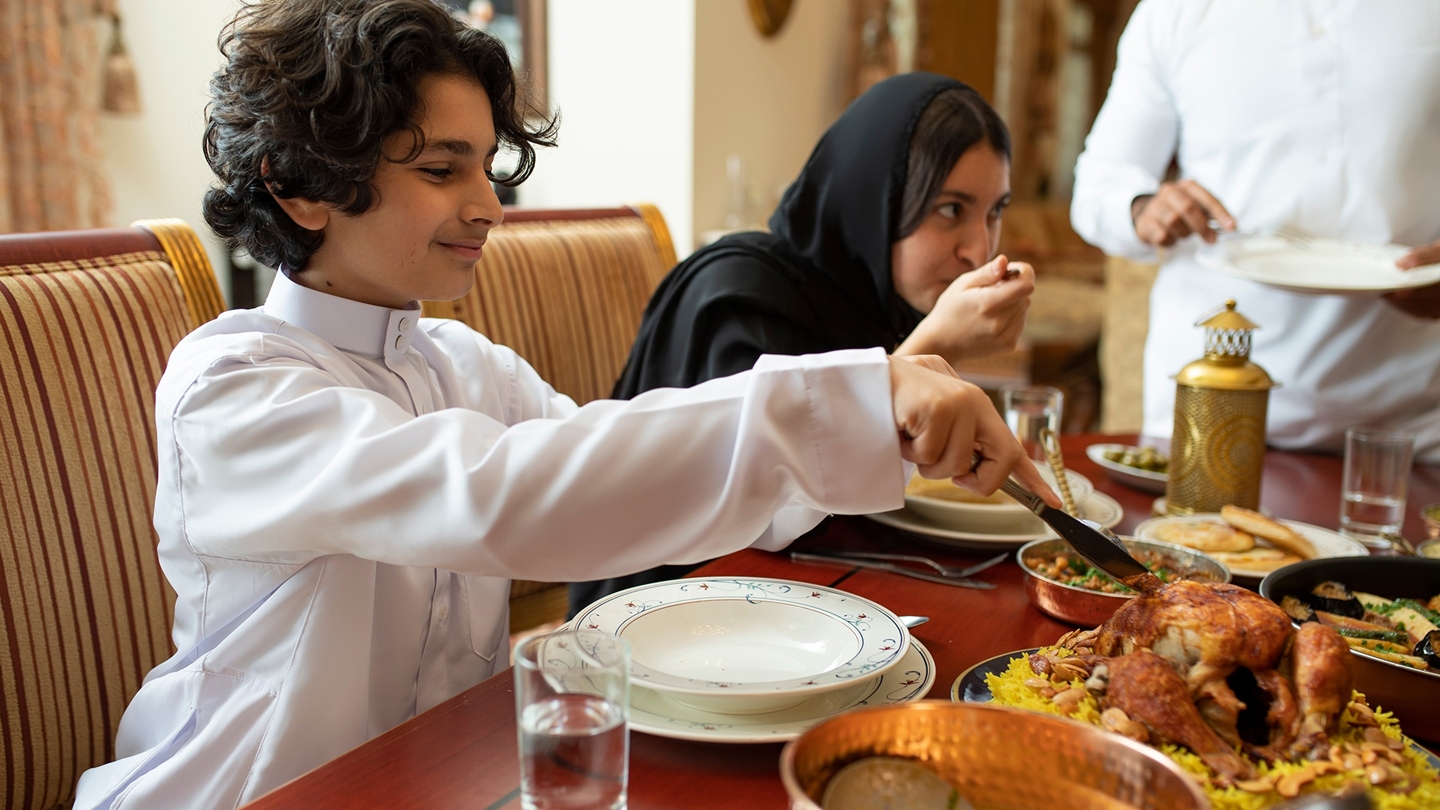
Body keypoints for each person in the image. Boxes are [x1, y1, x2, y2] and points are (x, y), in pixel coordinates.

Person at [72, 2, 1054, 807]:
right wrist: (860, 395)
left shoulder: (457, 359)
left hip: (447, 778)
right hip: (253, 791)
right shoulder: (233, 385)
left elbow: (599, 466)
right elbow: (503, 494)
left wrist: (864, 414)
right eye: (440, 169)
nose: (490, 206)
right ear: (299, 188)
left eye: (488, 168)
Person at [570, 73, 1034, 615]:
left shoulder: (880, 301)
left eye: (994, 211)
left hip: (803, 610)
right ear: (873, 196)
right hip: (657, 622)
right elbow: (762, 513)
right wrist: (933, 347)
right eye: (951, 209)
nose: (978, 248)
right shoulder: (739, 293)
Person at [1071, 0, 1440, 463]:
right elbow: (1100, 185)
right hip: (1206, 403)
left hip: (1407, 418)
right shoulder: (1175, 11)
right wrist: (1143, 207)